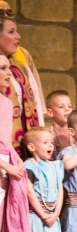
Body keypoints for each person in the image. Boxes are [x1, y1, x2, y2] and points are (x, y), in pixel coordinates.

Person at [0, 54, 31, 232]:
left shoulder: (6, 103)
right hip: (2, 166)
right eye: (2, 68)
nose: (8, 73)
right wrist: (8, 165)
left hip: (6, 167)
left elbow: (7, 142)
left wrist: (17, 163)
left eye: (8, 67)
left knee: (4, 227)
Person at [0, 10, 44, 157]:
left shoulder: (22, 68)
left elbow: (36, 104)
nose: (18, 36)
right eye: (11, 32)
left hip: (25, 146)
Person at [0, 0, 46, 119]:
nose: (5, 17)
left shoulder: (22, 54)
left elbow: (36, 95)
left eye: (8, 13)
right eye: (0, 13)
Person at [46, 90, 73, 158]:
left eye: (69, 106)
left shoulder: (76, 131)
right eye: (61, 107)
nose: (67, 109)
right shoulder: (47, 134)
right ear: (50, 112)